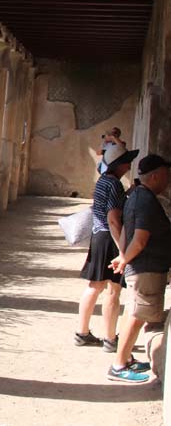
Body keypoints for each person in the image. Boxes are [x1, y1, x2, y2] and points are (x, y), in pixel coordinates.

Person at [108, 154, 171, 382]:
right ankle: (118, 366)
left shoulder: (136, 196)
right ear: (155, 176)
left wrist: (123, 255)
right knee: (138, 315)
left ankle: (124, 359)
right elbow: (141, 238)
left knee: (134, 312)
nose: (168, 180)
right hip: (146, 267)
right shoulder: (145, 200)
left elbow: (127, 229)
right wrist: (125, 259)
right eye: (166, 175)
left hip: (142, 265)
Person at [75, 143, 138, 351]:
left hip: (98, 236)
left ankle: (82, 333)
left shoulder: (104, 181)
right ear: (119, 164)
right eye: (127, 161)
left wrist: (127, 194)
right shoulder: (114, 184)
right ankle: (111, 339)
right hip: (110, 238)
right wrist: (122, 249)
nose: (129, 165)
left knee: (94, 286)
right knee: (113, 290)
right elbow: (113, 218)